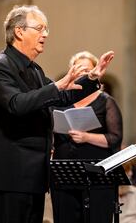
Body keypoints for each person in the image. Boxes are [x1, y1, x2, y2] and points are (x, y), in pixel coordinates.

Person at [0, 5, 114, 223]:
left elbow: (61, 96)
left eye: (47, 29)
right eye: (40, 28)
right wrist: (56, 87)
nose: (45, 34)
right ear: (19, 31)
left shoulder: (35, 70)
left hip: (34, 176)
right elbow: (16, 104)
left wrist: (91, 78)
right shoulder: (0, 67)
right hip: (11, 176)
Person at [50, 51, 123, 223]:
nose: (83, 74)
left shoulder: (106, 101)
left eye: (87, 70)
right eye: (79, 70)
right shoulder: (60, 100)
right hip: (64, 174)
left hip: (97, 176)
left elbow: (115, 138)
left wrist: (86, 137)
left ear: (96, 72)